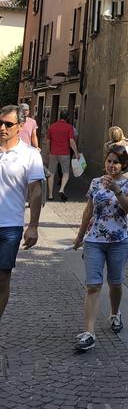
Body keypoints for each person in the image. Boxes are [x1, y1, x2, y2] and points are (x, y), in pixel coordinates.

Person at [72, 145, 128, 351]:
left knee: (115, 283)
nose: (111, 165)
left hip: (119, 241)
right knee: (93, 285)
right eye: (109, 161)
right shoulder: (95, 183)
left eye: (116, 162)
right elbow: (88, 211)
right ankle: (89, 332)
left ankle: (115, 313)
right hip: (94, 241)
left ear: (123, 165)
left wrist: (117, 191)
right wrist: (80, 236)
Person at [0, 104, 45, 321]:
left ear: (20, 126)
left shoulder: (30, 155)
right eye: (0, 123)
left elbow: (35, 191)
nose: (2, 128)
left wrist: (33, 226)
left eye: (8, 124)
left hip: (10, 226)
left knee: (2, 277)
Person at [46, 109, 80, 201]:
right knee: (65, 172)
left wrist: (48, 151)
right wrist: (76, 153)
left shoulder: (52, 126)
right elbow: (71, 141)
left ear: (59, 116)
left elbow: (48, 140)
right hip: (65, 153)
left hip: (53, 152)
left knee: (51, 173)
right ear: (67, 118)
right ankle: (61, 189)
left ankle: (50, 195)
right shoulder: (69, 127)